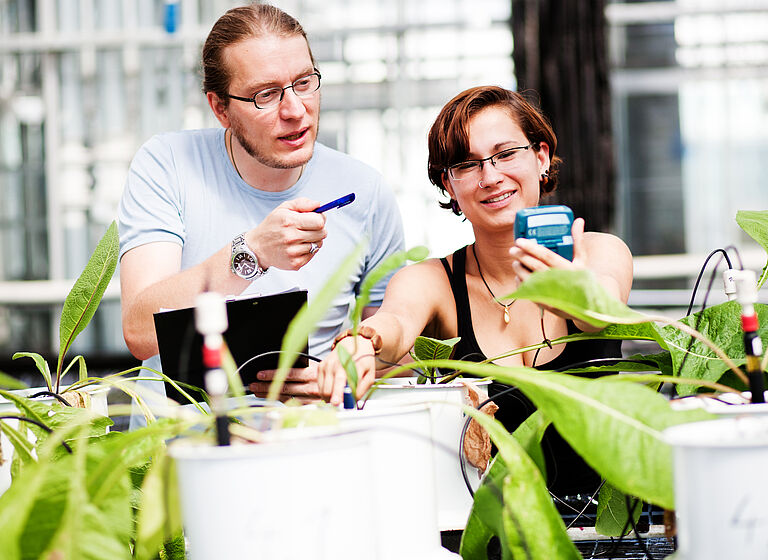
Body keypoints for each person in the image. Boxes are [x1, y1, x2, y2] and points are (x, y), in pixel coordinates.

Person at [317, 85, 633, 536]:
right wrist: (364, 343)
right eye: (467, 164)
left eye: (506, 154)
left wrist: (572, 289)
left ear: (541, 158)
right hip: (488, 530)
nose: (490, 177)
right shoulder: (433, 279)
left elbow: (600, 312)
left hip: (609, 528)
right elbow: (397, 321)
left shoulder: (600, 252)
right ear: (449, 183)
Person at [118, 4, 404, 403]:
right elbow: (139, 331)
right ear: (220, 108)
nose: (295, 110)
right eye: (265, 95)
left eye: (304, 82)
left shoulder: (364, 189)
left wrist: (345, 369)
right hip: (182, 451)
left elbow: (391, 348)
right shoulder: (168, 164)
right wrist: (252, 252)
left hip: (311, 440)